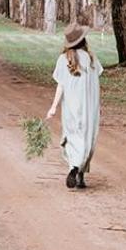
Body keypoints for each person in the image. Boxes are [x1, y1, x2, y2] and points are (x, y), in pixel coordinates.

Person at [46, 22, 103, 189]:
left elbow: (61, 85)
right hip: (89, 107)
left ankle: (74, 167)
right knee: (87, 139)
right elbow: (96, 83)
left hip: (71, 107)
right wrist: (98, 104)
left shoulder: (63, 60)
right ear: (83, 40)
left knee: (72, 138)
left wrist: (53, 107)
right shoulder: (91, 59)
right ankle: (80, 173)